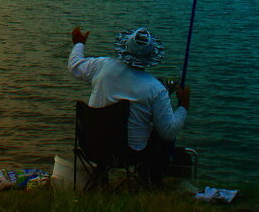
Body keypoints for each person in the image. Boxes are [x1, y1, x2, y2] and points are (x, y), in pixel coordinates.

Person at [67, 25, 191, 183]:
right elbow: (169, 131)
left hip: (92, 147)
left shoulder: (102, 66)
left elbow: (74, 66)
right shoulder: (157, 89)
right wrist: (184, 106)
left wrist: (79, 43)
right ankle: (151, 183)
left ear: (125, 49)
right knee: (160, 134)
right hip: (129, 154)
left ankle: (101, 179)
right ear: (151, 56)